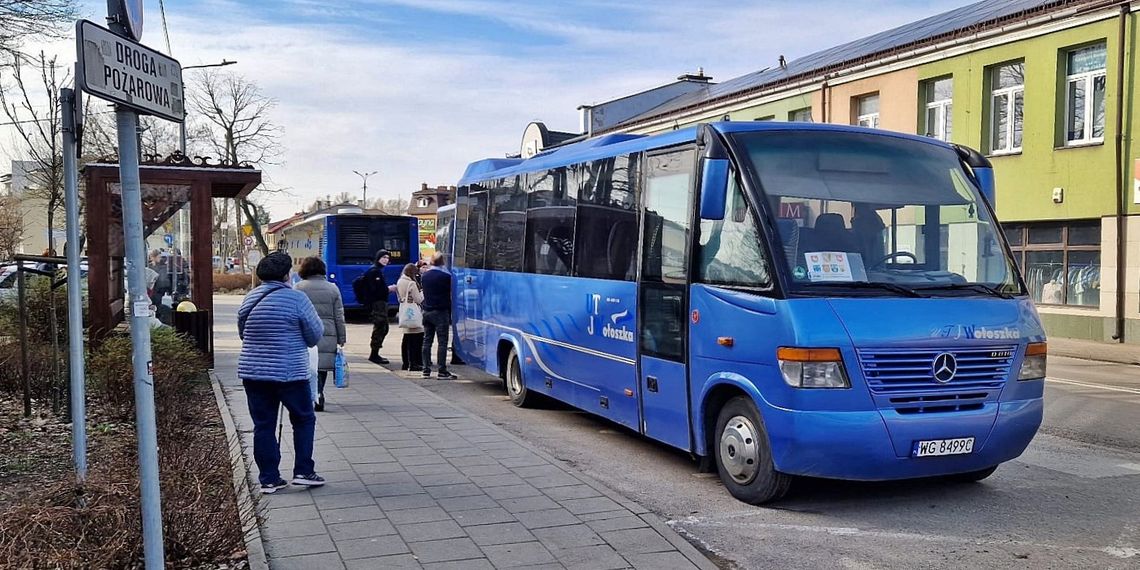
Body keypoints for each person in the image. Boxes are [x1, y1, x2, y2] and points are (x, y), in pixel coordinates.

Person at [237, 252, 326, 494]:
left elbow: (243, 333)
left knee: (263, 424)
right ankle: (303, 471)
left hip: (253, 372)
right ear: (287, 275)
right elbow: (314, 336)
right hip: (289, 373)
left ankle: (268, 478)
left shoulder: (249, 299)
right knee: (303, 418)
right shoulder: (297, 299)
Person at [294, 256, 347, 412]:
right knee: (321, 366)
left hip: (304, 332)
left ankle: (311, 393)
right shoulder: (332, 288)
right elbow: (339, 316)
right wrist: (341, 337)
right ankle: (319, 391)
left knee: (308, 365)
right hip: (327, 332)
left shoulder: (298, 288)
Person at [421, 252, 455, 379]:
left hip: (427, 311)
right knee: (442, 342)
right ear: (442, 262)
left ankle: (425, 369)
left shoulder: (424, 276)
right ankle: (442, 370)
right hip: (440, 312)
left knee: (427, 341)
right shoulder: (445, 276)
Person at [361, 249, 397, 365]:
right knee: (380, 326)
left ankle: (375, 352)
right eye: (384, 258)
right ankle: (374, 353)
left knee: (383, 327)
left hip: (381, 303)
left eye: (387, 258)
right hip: (377, 304)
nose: (386, 260)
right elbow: (376, 290)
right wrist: (388, 289)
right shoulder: (374, 272)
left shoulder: (378, 271)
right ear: (378, 258)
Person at [396, 263, 425, 371]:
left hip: (405, 312)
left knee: (406, 340)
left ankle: (405, 363)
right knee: (416, 340)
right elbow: (418, 299)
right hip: (413, 313)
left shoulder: (400, 281)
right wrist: (422, 292)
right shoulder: (411, 283)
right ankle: (414, 363)